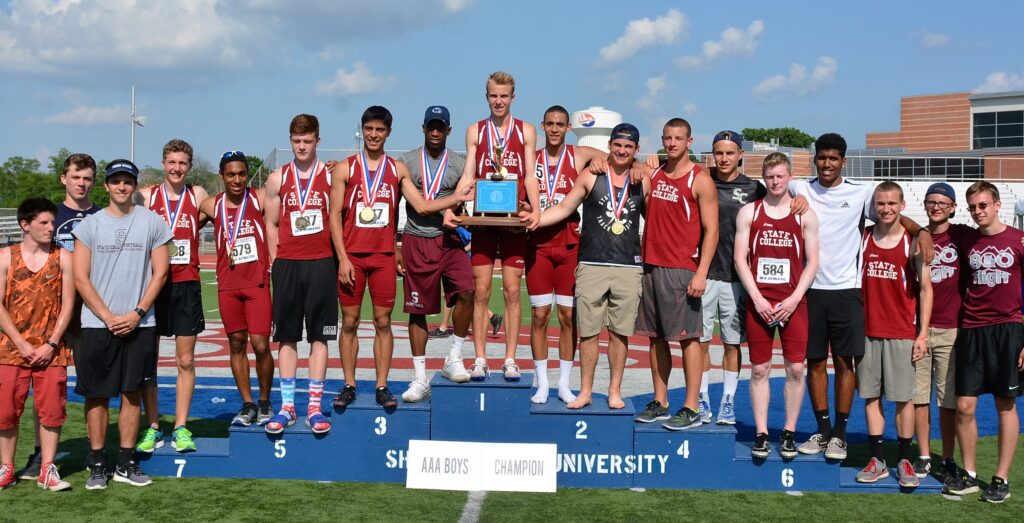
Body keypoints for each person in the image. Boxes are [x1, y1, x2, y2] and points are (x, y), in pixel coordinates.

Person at [793, 133, 932, 460]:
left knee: (844, 362)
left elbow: (892, 213)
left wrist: (920, 230)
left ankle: (840, 434)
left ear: (843, 160)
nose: (827, 163)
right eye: (822, 157)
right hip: (810, 289)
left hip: (846, 290)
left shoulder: (861, 192)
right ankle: (823, 430)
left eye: (833, 158)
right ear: (815, 158)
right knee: (814, 362)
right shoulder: (799, 188)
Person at [72, 159, 172, 489]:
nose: (121, 187)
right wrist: (108, 316)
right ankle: (98, 462)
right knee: (97, 396)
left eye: (127, 181)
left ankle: (126, 462)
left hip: (140, 324)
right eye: (115, 181)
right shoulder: (89, 225)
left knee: (132, 394)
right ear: (106, 186)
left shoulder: (153, 222)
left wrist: (137, 313)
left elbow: (161, 272)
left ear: (134, 184)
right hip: (97, 325)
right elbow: (80, 277)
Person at [537, 123, 650, 409]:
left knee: (619, 333)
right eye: (617, 145)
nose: (622, 150)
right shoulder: (592, 173)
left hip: (628, 265)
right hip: (591, 263)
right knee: (588, 333)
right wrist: (536, 220)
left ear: (636, 150)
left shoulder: (642, 179)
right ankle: (585, 391)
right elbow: (564, 208)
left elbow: (657, 218)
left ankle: (614, 390)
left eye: (628, 147)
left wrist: (646, 167)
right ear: (610, 146)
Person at [14, 153, 100, 482]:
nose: (81, 183)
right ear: (64, 178)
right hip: (52, 315)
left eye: (88, 178)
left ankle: (97, 453)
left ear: (94, 181)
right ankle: (40, 455)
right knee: (45, 387)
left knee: (94, 386)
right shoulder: (51, 216)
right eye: (76, 177)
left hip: (92, 311)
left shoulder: (101, 216)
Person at [631, 118, 717, 429]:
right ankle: (661, 400)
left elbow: (712, 231)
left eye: (678, 138)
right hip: (651, 265)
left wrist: (701, 272)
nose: (671, 143)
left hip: (682, 269)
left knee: (688, 339)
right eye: (667, 138)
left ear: (689, 141)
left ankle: (692, 406)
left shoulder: (700, 179)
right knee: (656, 338)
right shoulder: (655, 173)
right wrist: (642, 169)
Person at [456, 71, 541, 381]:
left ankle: (509, 359)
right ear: (486, 96)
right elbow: (468, 173)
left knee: (511, 292)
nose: (499, 101)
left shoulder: (527, 131)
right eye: (493, 95)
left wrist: (538, 210)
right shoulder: (475, 131)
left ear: (513, 98)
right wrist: (455, 202)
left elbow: (530, 175)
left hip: (513, 222)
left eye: (504, 96)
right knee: (479, 291)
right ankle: (479, 358)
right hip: (483, 221)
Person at [733, 152, 819, 459]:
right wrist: (756, 297)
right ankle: (761, 433)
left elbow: (813, 262)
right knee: (760, 369)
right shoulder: (750, 212)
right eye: (770, 177)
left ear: (789, 177)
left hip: (793, 302)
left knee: (796, 368)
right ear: (763, 178)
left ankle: (789, 432)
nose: (775, 181)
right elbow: (740, 258)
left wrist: (794, 298)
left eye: (781, 176)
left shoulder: (803, 214)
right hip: (760, 303)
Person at [944, 181, 1023, 503]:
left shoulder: (1019, 240)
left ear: (997, 204)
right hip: (972, 329)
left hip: (1008, 329)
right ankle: (970, 474)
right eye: (973, 207)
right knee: (964, 405)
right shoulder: (966, 239)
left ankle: (1001, 477)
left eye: (983, 205)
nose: (978, 212)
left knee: (1005, 404)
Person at [853, 182, 932, 489]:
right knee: (871, 397)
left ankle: (904, 459)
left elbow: (926, 290)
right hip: (868, 332)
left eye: (891, 204)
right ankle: (877, 460)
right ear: (875, 206)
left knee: (903, 400)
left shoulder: (912, 242)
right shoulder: (863, 239)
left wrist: (922, 334)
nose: (886, 209)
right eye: (881, 204)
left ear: (901, 206)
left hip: (901, 332)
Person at [398, 106, 478, 400]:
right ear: (423, 128)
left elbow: (465, 197)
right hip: (417, 240)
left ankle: (453, 356)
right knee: (418, 311)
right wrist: (395, 248)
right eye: (431, 126)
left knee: (468, 291)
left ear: (448, 130)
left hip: (449, 239)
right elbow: (400, 202)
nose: (435, 132)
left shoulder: (459, 162)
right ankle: (420, 378)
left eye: (440, 127)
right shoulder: (406, 161)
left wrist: (453, 209)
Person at [263, 114, 337, 435]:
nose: (302, 146)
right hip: (288, 264)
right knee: (287, 336)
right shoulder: (277, 178)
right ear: (290, 141)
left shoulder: (333, 177)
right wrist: (274, 261)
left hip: (322, 262)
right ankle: (288, 407)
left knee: (319, 336)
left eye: (308, 141)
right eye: (297, 141)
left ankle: (314, 408)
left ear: (318, 141)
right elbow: (271, 222)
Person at [527, 105, 605, 404]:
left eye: (560, 124)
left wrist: (602, 159)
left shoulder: (580, 154)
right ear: (542, 126)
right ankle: (542, 382)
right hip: (537, 247)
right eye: (550, 124)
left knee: (568, 316)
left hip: (571, 246)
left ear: (568, 127)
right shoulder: (530, 158)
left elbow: (616, 160)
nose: (555, 129)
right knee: (539, 315)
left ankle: (563, 383)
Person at [136, 139, 209, 453]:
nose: (177, 168)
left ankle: (180, 426)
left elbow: (227, 208)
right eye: (172, 162)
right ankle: (153, 426)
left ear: (189, 167)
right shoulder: (147, 196)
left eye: (182, 163)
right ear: (163, 164)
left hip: (186, 283)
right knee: (148, 362)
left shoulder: (198, 195)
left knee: (185, 360)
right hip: (153, 286)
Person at [0, 199, 74, 491]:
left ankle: (47, 468)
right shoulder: (6, 256)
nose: (50, 228)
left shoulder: (63, 256)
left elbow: (68, 304)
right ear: (25, 225)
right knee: (6, 411)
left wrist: (51, 343)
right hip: (10, 349)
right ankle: (6, 467)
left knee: (52, 411)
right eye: (43, 222)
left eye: (52, 222)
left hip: (51, 350)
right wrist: (20, 342)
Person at [197, 151, 275, 426]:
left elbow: (287, 192)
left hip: (257, 282)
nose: (237, 179)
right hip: (227, 286)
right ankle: (248, 403)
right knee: (236, 343)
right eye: (231, 174)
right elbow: (181, 227)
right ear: (222, 176)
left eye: (242, 173)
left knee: (261, 344)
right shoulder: (210, 204)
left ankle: (265, 400)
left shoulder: (260, 197)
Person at [699, 131, 766, 424]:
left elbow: (781, 208)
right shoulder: (702, 180)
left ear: (741, 155)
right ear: (712, 154)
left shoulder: (755, 188)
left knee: (731, 342)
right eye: (719, 153)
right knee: (699, 342)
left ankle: (728, 401)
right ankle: (701, 399)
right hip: (703, 274)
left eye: (730, 153)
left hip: (737, 277)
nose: (724, 158)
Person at [914, 182, 972, 484]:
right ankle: (923, 455)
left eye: (942, 202)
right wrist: (921, 231)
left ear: (952, 207)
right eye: (931, 201)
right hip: (919, 330)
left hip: (952, 329)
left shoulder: (961, 235)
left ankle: (948, 458)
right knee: (919, 398)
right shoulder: (916, 236)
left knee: (946, 401)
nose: (936, 206)